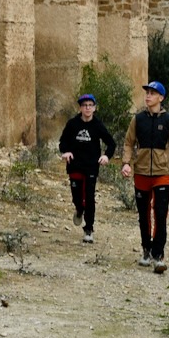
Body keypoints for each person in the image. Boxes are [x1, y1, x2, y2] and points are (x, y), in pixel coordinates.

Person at [120, 81, 169, 273]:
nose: (148, 96)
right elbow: (129, 143)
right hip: (141, 173)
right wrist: (126, 163)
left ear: (161, 98)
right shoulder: (138, 119)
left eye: (152, 93)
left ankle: (158, 255)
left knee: (161, 214)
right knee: (144, 215)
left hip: (162, 173)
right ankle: (146, 249)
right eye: (147, 92)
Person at [58, 93, 117, 244]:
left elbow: (111, 143)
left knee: (89, 197)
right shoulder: (73, 124)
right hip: (75, 165)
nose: (87, 108)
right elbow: (62, 141)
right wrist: (66, 152)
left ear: (95, 108)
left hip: (91, 166)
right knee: (77, 196)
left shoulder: (97, 125)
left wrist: (106, 156)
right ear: (80, 108)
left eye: (90, 105)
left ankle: (89, 229)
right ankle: (79, 209)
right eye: (85, 105)